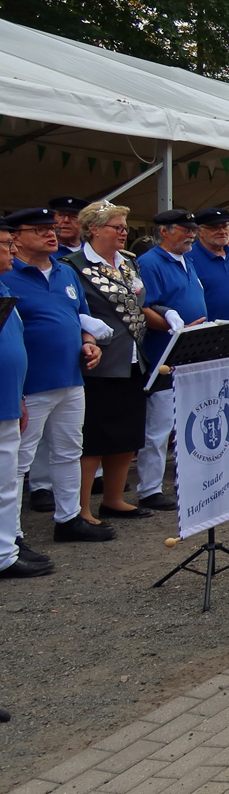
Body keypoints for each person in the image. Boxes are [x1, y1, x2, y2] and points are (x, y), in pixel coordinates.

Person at [2, 207, 108, 543]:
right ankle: (12, 535)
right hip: (30, 383)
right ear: (15, 239)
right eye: (39, 229)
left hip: (70, 377)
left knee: (68, 451)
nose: (51, 234)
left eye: (52, 228)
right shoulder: (6, 275)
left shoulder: (65, 272)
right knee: (18, 461)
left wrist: (89, 343)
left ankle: (69, 518)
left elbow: (82, 317)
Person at [63, 202, 153, 521]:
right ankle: (82, 509)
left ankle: (114, 499)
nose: (124, 233)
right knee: (94, 439)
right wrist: (86, 327)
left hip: (132, 357)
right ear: (95, 229)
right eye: (117, 227)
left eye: (125, 228)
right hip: (99, 359)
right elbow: (68, 308)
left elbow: (141, 303)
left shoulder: (127, 263)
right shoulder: (73, 265)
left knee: (127, 434)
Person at [137, 209, 209, 511]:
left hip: (191, 349)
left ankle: (189, 476)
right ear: (165, 231)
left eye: (193, 229)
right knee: (160, 424)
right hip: (164, 351)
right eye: (185, 229)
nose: (192, 234)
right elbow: (143, 307)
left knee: (190, 417)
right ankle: (149, 488)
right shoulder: (150, 263)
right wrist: (171, 325)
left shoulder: (187, 260)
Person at [0, 219, 50, 577]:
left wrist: (17, 396)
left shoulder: (3, 287)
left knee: (6, 480)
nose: (12, 250)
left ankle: (7, 545)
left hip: (7, 398)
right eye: (5, 244)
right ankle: (4, 554)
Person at [193, 209, 229, 321]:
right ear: (199, 231)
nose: (222, 231)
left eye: (225, 226)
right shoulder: (189, 258)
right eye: (214, 228)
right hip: (208, 334)